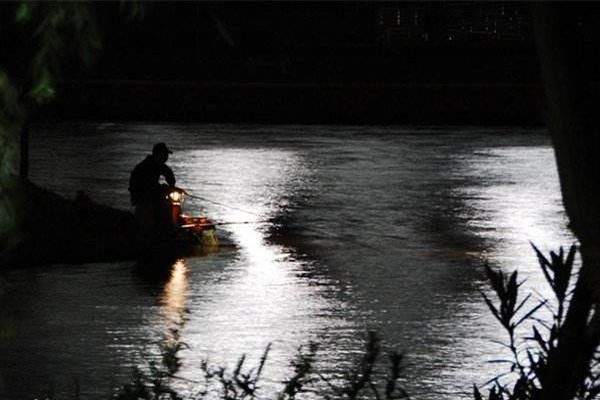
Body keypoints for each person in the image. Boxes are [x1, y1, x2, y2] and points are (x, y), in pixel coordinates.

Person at [129, 142, 176, 232]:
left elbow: (169, 174)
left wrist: (171, 186)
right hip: (142, 196)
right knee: (148, 223)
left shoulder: (158, 165)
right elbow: (146, 184)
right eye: (165, 155)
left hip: (148, 194)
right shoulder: (146, 166)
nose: (166, 157)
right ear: (158, 155)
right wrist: (162, 188)